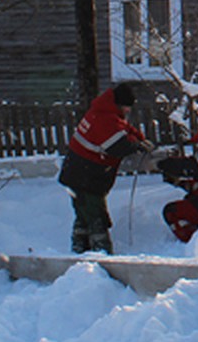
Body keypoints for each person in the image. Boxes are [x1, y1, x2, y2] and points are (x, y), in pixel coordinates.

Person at [58, 82, 153, 253]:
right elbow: (117, 146)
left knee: (84, 214)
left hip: (80, 174)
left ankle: (79, 250)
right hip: (84, 176)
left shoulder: (103, 112)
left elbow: (124, 129)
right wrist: (136, 146)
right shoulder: (105, 119)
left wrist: (139, 138)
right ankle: (102, 253)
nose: (128, 111)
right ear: (118, 104)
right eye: (126, 107)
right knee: (96, 217)